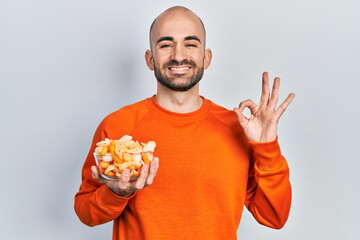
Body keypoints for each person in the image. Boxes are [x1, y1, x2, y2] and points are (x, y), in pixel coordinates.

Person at [74, 6, 295, 240]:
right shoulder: (118, 126)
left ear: (206, 57)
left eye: (190, 44)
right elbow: (85, 212)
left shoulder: (237, 129)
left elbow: (274, 216)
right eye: (166, 44)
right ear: (150, 59)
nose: (178, 55)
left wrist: (267, 147)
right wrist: (116, 193)